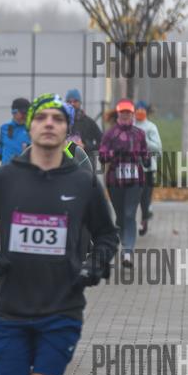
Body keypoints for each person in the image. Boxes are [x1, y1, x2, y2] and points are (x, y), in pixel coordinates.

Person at [0, 93, 118, 375]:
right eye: (41, 117)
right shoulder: (4, 178)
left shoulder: (83, 181)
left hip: (61, 309)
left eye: (57, 119)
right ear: (30, 126)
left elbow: (107, 234)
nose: (49, 124)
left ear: (67, 130)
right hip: (11, 310)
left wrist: (94, 266)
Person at [99, 99, 149, 268]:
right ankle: (123, 243)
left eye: (129, 112)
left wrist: (146, 159)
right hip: (115, 181)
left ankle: (128, 252)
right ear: (118, 114)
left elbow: (145, 154)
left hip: (135, 180)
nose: (126, 115)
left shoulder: (139, 134)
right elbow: (102, 156)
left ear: (132, 114)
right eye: (123, 112)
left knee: (129, 214)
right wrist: (114, 153)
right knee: (120, 216)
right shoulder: (110, 134)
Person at [133, 101, 162, 235]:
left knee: (145, 196)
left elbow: (158, 149)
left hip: (148, 168)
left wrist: (145, 141)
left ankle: (144, 220)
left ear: (146, 111)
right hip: (132, 167)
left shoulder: (151, 127)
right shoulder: (130, 126)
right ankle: (129, 221)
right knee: (134, 197)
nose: (139, 112)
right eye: (137, 109)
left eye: (142, 109)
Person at [65, 89, 102, 164]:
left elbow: (103, 142)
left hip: (85, 162)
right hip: (65, 163)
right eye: (69, 101)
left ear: (80, 102)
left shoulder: (89, 122)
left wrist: (85, 146)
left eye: (75, 101)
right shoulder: (61, 122)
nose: (72, 104)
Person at [0, 98, 30, 166]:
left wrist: (29, 148)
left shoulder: (32, 129)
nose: (25, 115)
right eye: (23, 113)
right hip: (6, 169)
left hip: (24, 169)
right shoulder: (4, 128)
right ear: (14, 112)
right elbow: (2, 147)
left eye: (27, 113)